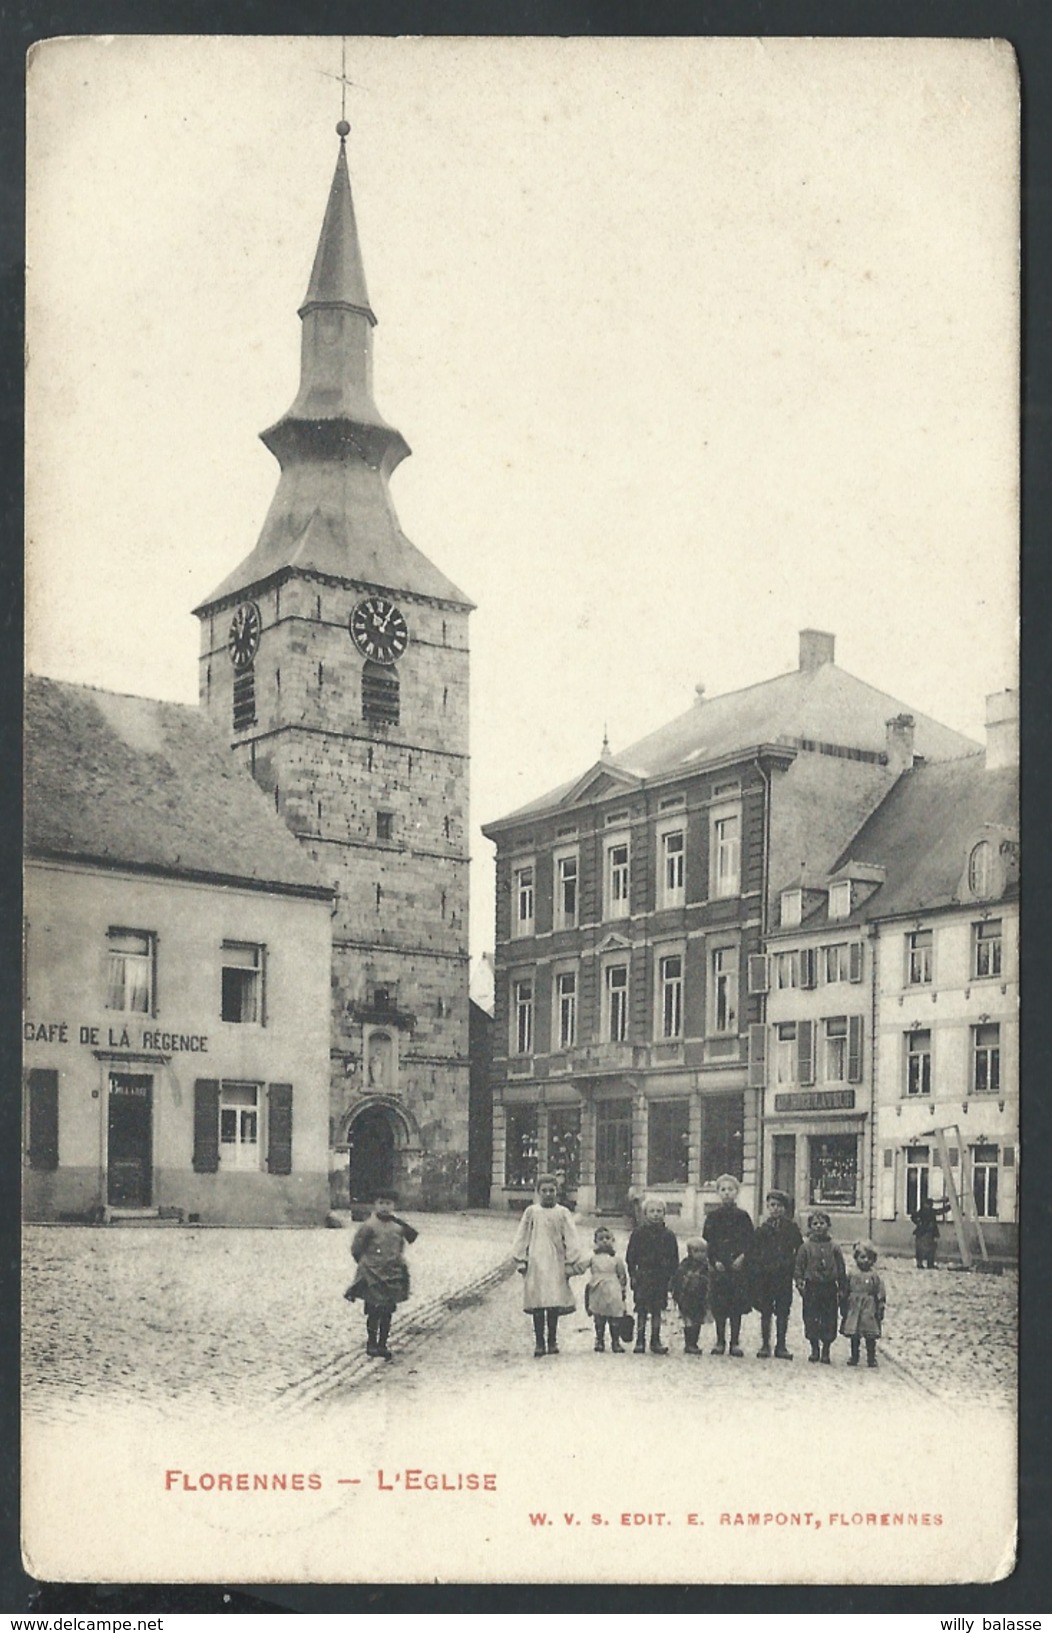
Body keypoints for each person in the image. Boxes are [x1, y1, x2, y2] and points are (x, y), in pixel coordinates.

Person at [511, 1174, 587, 1357]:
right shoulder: (531, 1212)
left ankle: (552, 1340)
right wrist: (521, 1258)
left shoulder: (562, 1213)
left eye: (551, 1190)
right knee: (538, 1302)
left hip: (556, 1262)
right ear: (538, 1192)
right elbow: (522, 1235)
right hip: (536, 1262)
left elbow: (571, 1237)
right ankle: (539, 1342)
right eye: (544, 1191)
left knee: (553, 1302)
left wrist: (571, 1260)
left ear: (557, 1192)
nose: (548, 1194)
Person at [346, 1191, 419, 1360]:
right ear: (375, 1204)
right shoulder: (369, 1226)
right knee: (373, 1310)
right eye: (381, 1203)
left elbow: (403, 1245)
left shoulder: (398, 1227)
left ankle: (383, 1344)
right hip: (372, 1274)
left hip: (392, 1274)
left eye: (389, 1203)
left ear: (394, 1206)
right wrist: (367, 1265)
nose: (385, 1207)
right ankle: (371, 1343)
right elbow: (356, 1249)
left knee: (387, 1311)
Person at [702, 1173, 754, 1357]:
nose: (726, 1193)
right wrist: (714, 1261)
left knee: (736, 1305)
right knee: (720, 1305)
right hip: (720, 1267)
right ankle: (720, 1340)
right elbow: (708, 1241)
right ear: (718, 1193)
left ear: (736, 1192)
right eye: (723, 1190)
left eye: (730, 1189)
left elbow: (749, 1241)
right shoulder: (713, 1217)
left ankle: (735, 1342)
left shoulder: (743, 1216)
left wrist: (742, 1257)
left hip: (737, 1267)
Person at [749, 1188, 803, 1360]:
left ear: (785, 1209)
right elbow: (754, 1252)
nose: (775, 1209)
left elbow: (800, 1249)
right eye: (772, 1205)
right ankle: (765, 1344)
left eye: (779, 1206)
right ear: (767, 1207)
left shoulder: (791, 1228)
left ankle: (781, 1345)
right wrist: (757, 1270)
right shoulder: (761, 1230)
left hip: (783, 1276)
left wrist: (793, 1266)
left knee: (782, 1310)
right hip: (766, 1276)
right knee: (766, 1310)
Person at [626, 1196, 680, 1355]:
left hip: (660, 1278)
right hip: (643, 1275)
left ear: (664, 1213)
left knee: (657, 1310)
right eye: (652, 1211)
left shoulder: (669, 1235)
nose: (655, 1214)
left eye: (659, 1211)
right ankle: (640, 1340)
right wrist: (633, 1275)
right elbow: (630, 1257)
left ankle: (655, 1340)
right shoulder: (638, 1233)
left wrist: (672, 1279)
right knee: (642, 1310)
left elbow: (674, 1259)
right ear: (645, 1213)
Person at [794, 1209, 847, 1364]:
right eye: (815, 1224)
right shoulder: (805, 1247)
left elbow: (841, 1268)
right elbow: (799, 1267)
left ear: (828, 1225)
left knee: (829, 1318)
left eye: (822, 1223)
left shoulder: (834, 1247)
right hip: (812, 1288)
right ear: (810, 1227)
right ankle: (814, 1348)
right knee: (811, 1318)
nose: (818, 1226)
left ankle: (826, 1349)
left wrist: (842, 1287)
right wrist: (799, 1283)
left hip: (829, 1287)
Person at [840, 1240, 887, 1368]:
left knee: (870, 1333)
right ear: (856, 1258)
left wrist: (880, 1305)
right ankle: (854, 1355)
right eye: (862, 1257)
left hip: (869, 1307)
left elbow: (880, 1291)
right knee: (854, 1333)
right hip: (854, 1306)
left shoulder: (874, 1275)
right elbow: (845, 1288)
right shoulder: (852, 1274)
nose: (865, 1261)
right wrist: (843, 1302)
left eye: (869, 1258)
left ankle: (871, 1357)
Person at [586, 1225, 629, 1353]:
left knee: (615, 1316)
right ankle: (599, 1340)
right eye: (601, 1239)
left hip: (613, 1290)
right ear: (595, 1242)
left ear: (613, 1240)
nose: (605, 1241)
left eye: (608, 1238)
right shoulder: (593, 1259)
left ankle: (615, 1341)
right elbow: (580, 1267)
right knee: (599, 1317)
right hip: (597, 1289)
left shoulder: (616, 1260)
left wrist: (622, 1289)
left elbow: (622, 1275)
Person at [672, 1238, 710, 1354]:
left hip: (700, 1298)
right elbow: (678, 1278)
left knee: (697, 1320)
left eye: (703, 1251)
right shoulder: (685, 1264)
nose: (700, 1254)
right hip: (686, 1297)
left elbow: (709, 1281)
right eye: (697, 1251)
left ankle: (694, 1342)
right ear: (690, 1252)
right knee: (688, 1319)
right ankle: (689, 1343)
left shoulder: (706, 1266)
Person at [911, 1199, 940, 1269]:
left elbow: (939, 1211)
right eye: (928, 1204)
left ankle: (928, 1264)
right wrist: (919, 1223)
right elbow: (913, 1216)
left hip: (929, 1233)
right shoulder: (923, 1212)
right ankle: (922, 1264)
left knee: (930, 1249)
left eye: (930, 1204)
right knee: (923, 1249)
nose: (929, 1206)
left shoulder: (929, 1211)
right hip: (923, 1233)